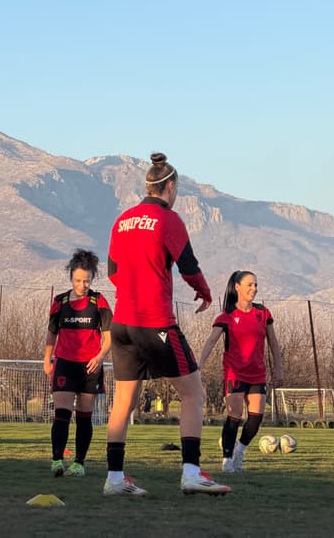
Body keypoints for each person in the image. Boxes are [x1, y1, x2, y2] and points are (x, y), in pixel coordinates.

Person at [103, 152, 230, 496]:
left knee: (123, 401)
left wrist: (133, 290)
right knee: (193, 394)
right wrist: (204, 292)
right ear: (170, 187)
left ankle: (114, 478)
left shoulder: (122, 220)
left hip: (122, 323)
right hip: (154, 321)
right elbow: (188, 265)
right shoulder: (167, 219)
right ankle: (191, 472)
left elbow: (112, 271)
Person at [199, 271, 283, 472]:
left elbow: (273, 342)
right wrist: (199, 365)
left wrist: (279, 368)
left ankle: (240, 450)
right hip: (234, 374)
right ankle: (227, 460)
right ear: (237, 287)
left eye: (255, 285)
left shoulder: (263, 313)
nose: (254, 288)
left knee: (256, 418)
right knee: (234, 416)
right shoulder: (226, 316)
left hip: (257, 374)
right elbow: (211, 341)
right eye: (249, 285)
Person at [44, 249, 113, 477]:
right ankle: (56, 460)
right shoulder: (60, 302)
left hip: (90, 367)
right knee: (62, 414)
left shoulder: (99, 301)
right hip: (65, 363)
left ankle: (79, 464)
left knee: (84, 417)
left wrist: (99, 357)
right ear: (71, 277)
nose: (82, 285)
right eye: (78, 280)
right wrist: (47, 360)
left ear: (92, 279)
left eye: (87, 281)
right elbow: (51, 334)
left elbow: (109, 338)